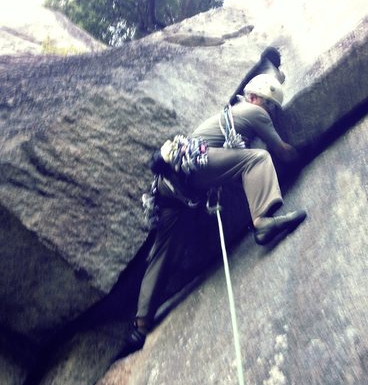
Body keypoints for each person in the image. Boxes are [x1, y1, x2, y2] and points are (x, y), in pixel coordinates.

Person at [123, 48, 306, 353]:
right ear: (259, 99)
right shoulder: (255, 113)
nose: (271, 114)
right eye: (272, 107)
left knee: (163, 252)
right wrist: (305, 150)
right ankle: (262, 222)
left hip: (171, 187)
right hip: (196, 171)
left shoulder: (228, 114)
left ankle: (140, 326)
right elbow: (281, 151)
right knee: (257, 159)